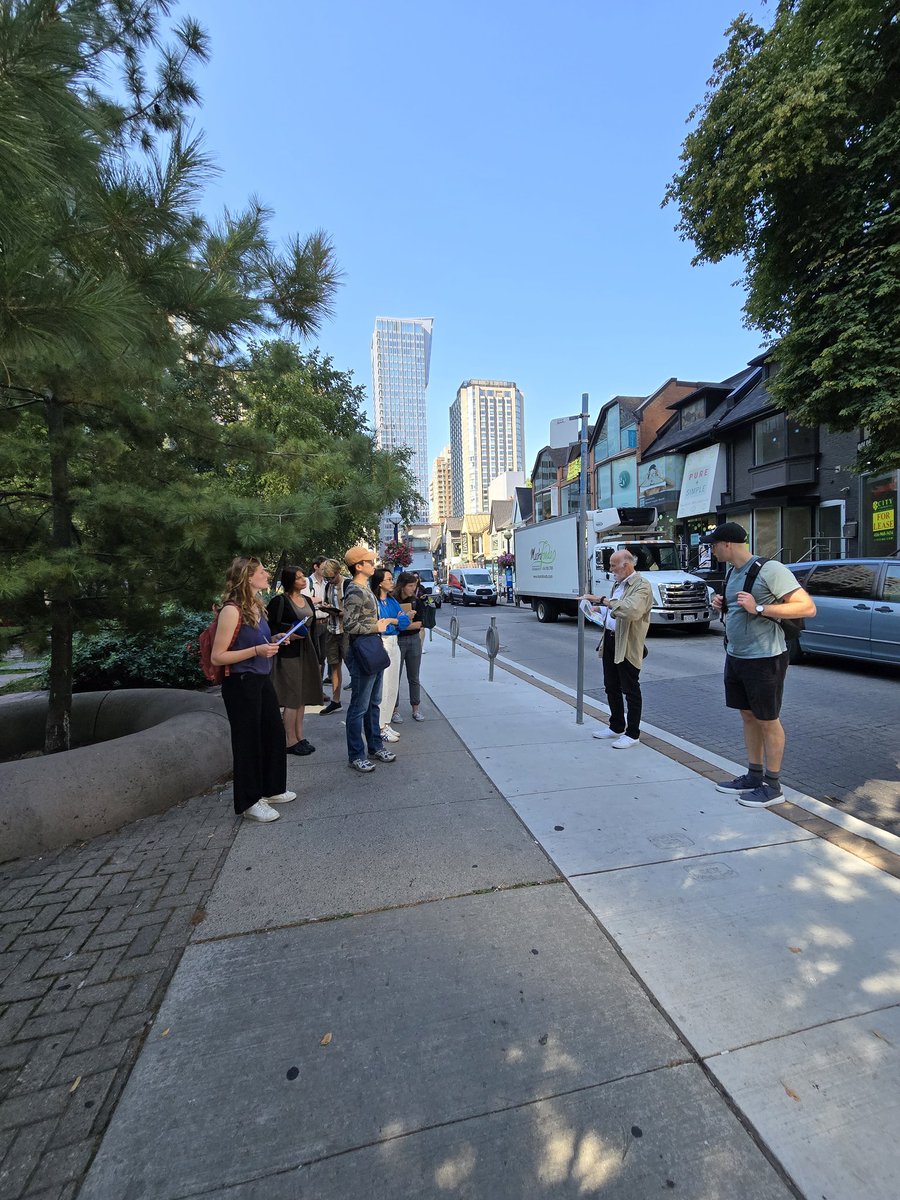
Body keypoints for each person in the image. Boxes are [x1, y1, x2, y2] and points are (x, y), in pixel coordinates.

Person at [708, 522, 816, 808]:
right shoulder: (732, 572)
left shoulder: (771, 569)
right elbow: (739, 607)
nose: (712, 549)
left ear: (728, 544)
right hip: (737, 655)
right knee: (747, 715)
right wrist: (723, 604)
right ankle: (753, 776)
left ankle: (773, 785)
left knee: (768, 719)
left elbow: (807, 607)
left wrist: (759, 607)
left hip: (765, 658)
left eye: (714, 544)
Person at [211, 557, 296, 823]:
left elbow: (255, 640)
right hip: (241, 683)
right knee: (248, 742)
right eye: (261, 571)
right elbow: (218, 657)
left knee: (272, 733)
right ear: (247, 577)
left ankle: (271, 789)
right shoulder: (232, 610)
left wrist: (272, 640)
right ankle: (249, 802)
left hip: (260, 679)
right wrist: (257, 650)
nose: (267, 574)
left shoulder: (255, 606)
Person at [582, 550, 653, 748]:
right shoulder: (618, 584)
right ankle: (616, 726)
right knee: (611, 686)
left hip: (628, 643)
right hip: (611, 640)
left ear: (627, 565)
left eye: (614, 565)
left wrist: (601, 600)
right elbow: (614, 609)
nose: (610, 569)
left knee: (630, 689)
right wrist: (596, 609)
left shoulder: (642, 586)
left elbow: (630, 610)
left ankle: (632, 734)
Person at [342, 547, 399, 773]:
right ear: (358, 566)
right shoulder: (355, 590)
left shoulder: (364, 588)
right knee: (359, 706)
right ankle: (356, 754)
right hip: (362, 650)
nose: (373, 564)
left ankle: (375, 746)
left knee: (373, 702)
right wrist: (377, 626)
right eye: (369, 561)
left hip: (371, 647)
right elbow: (349, 624)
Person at [266, 566, 323, 756]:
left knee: (302, 696)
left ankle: (300, 736)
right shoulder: (279, 601)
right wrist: (287, 632)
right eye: (298, 578)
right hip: (288, 653)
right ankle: (289, 741)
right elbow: (269, 627)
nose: (303, 580)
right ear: (290, 581)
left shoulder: (306, 600)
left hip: (307, 651)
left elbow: (312, 627)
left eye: (302, 577)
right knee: (292, 698)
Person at [370, 567, 410, 741]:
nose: (392, 581)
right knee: (383, 686)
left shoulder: (392, 601)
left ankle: (385, 723)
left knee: (393, 684)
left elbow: (404, 621)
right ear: (380, 582)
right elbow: (380, 624)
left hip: (395, 643)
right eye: (388, 579)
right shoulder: (374, 602)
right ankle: (379, 726)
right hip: (383, 642)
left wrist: (393, 620)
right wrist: (395, 621)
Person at [393, 571, 426, 722]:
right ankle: (394, 709)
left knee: (414, 676)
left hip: (413, 640)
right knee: (395, 676)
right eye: (410, 585)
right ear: (402, 586)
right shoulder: (393, 601)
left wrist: (400, 625)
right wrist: (403, 624)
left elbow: (420, 624)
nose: (413, 588)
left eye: (415, 585)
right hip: (397, 641)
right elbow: (390, 622)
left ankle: (416, 708)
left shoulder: (416, 601)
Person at [319, 558, 347, 716]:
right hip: (332, 628)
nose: (329, 580)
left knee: (352, 665)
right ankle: (336, 702)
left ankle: (360, 701)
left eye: (332, 577)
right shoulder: (328, 586)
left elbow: (353, 610)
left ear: (339, 572)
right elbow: (329, 603)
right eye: (327, 578)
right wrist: (327, 608)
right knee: (334, 665)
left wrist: (339, 611)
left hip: (346, 630)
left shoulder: (348, 584)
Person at [305, 556, 330, 684]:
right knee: (313, 656)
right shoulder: (307, 582)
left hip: (325, 622)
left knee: (322, 657)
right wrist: (319, 601)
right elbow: (303, 601)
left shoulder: (327, 584)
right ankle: (311, 686)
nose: (326, 569)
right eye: (324, 566)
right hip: (313, 623)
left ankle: (318, 688)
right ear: (316, 566)